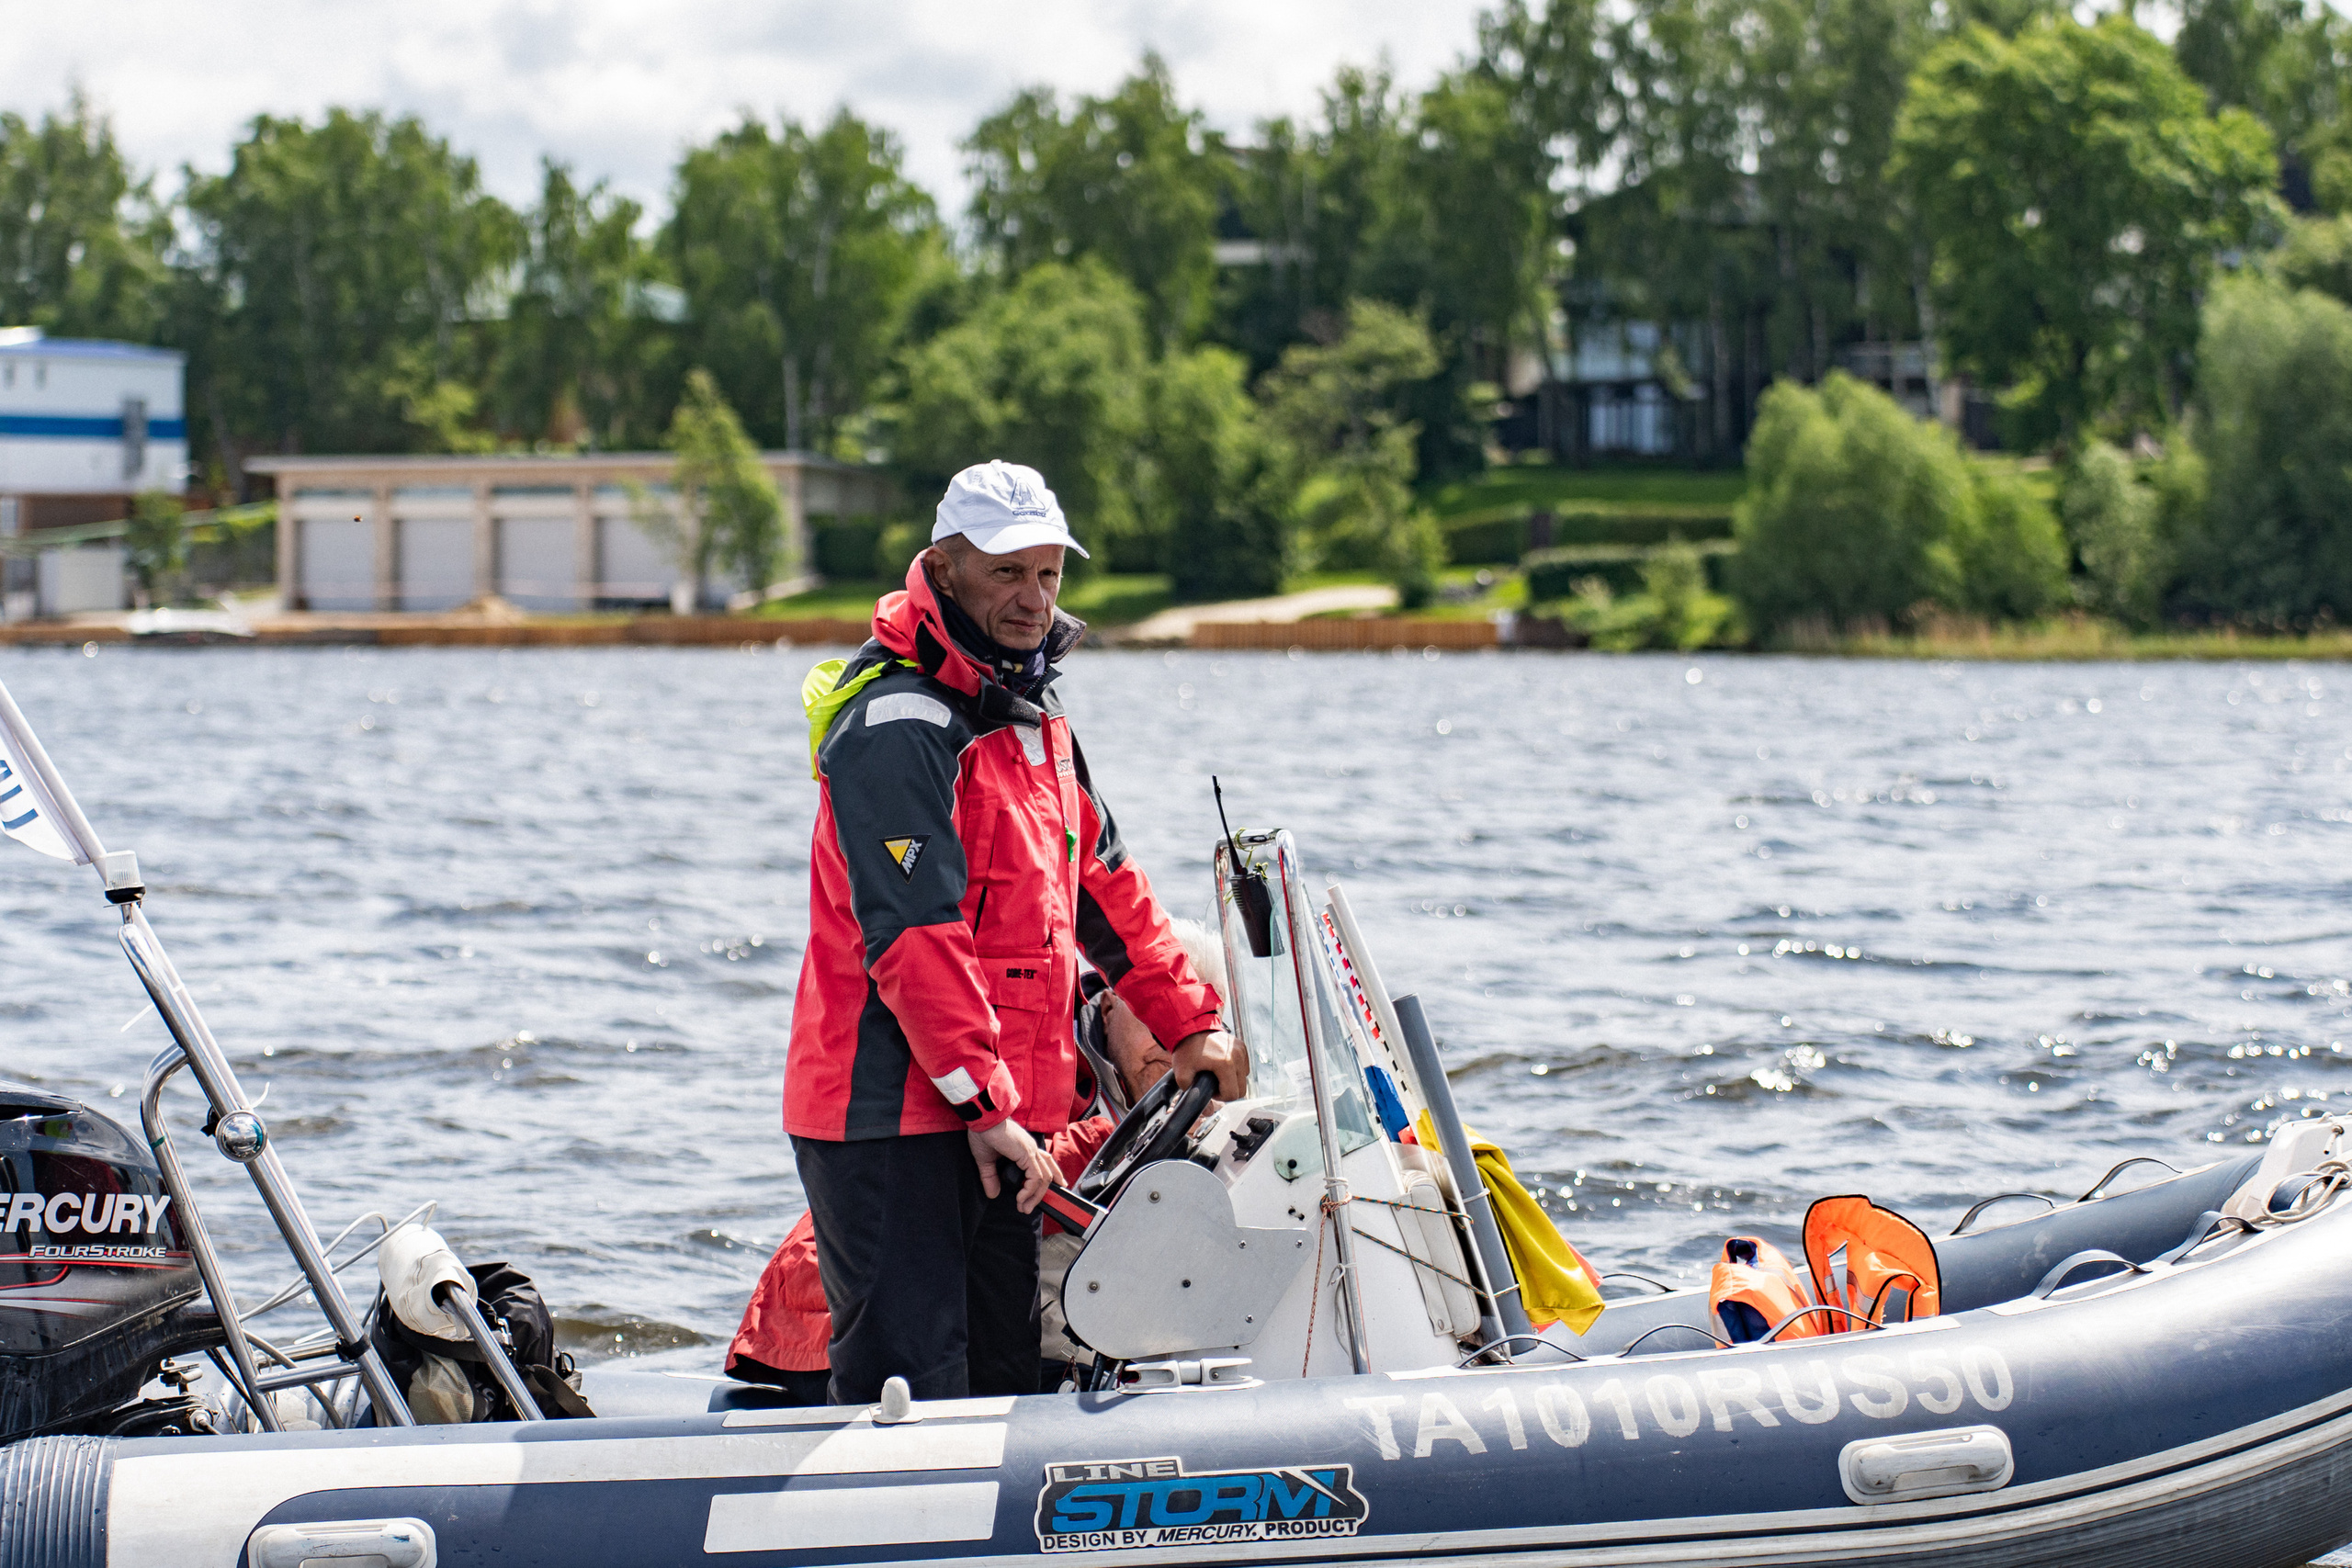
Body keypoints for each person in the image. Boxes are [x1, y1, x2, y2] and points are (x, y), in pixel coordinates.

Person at [786, 460, 1246, 1405]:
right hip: (895, 1117)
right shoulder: (897, 727)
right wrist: (984, 1108)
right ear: (944, 568)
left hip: (1000, 1119)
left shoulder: (1037, 721)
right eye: (1006, 574)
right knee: (914, 1388)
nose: (1032, 599)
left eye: (1047, 575)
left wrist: (1189, 1022)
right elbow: (917, 942)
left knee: (1003, 1375)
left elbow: (1104, 889)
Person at [728, 921, 1225, 1401]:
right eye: (1157, 1026)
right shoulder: (1034, 1047)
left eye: (1186, 1032)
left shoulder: (1180, 1080)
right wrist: (1114, 1141)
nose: (1169, 1053)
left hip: (947, 1276)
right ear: (1114, 1001)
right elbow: (996, 1161)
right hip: (834, 1309)